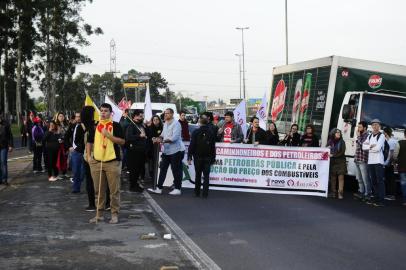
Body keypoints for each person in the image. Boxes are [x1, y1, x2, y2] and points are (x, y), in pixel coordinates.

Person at [87, 103, 125, 224]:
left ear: (110, 113)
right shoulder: (95, 126)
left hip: (112, 162)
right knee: (98, 191)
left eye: (106, 111)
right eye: (101, 111)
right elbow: (89, 141)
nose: (103, 113)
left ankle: (114, 214)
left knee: (114, 191)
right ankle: (99, 214)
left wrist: (108, 135)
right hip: (97, 162)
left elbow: (122, 141)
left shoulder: (116, 126)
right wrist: (88, 156)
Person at [148, 108, 185, 195]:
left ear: (172, 114)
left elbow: (175, 138)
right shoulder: (165, 124)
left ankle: (177, 188)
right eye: (165, 114)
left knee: (176, 170)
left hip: (176, 150)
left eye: (167, 113)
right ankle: (159, 188)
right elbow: (162, 135)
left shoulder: (177, 124)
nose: (165, 115)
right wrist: (156, 138)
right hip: (167, 151)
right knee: (163, 169)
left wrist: (162, 141)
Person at [187, 113, 216, 198]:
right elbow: (213, 147)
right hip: (208, 157)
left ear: (199, 122)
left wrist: (189, 156)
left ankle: (197, 192)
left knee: (198, 174)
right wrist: (213, 158)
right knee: (206, 176)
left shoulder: (196, 132)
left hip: (198, 157)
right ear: (207, 122)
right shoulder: (211, 132)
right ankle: (205, 193)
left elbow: (192, 145)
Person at [362, 119, 386, 207]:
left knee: (380, 181)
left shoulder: (382, 135)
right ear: (371, 126)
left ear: (379, 126)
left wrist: (369, 147)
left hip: (378, 161)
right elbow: (363, 147)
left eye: (377, 125)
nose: (375, 126)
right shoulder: (369, 136)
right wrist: (371, 146)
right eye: (373, 125)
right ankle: (375, 198)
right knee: (374, 181)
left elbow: (378, 148)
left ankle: (381, 200)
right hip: (371, 161)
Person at [125, 109, 147, 192]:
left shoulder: (141, 125)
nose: (142, 118)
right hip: (134, 151)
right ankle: (132, 186)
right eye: (140, 116)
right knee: (134, 169)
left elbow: (144, 134)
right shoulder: (131, 125)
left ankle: (135, 183)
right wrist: (139, 136)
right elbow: (129, 137)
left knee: (139, 169)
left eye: (142, 116)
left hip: (141, 151)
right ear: (135, 116)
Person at [67, 112, 85, 193]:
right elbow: (66, 137)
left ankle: (79, 181)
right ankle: (76, 188)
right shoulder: (72, 126)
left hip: (84, 151)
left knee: (83, 171)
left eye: (79, 116)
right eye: (76, 117)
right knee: (75, 170)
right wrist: (69, 146)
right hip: (75, 152)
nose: (78, 118)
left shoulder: (84, 126)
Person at [327, 128, 347, 199]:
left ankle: (340, 193)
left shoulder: (342, 142)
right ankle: (333, 193)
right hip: (333, 162)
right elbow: (326, 150)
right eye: (337, 132)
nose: (339, 133)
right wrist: (328, 149)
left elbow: (342, 152)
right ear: (333, 134)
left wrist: (333, 155)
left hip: (341, 161)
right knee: (333, 178)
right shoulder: (330, 141)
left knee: (341, 177)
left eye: (339, 132)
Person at [353, 121, 370, 200]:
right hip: (357, 159)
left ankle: (367, 194)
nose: (358, 129)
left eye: (360, 127)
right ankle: (361, 192)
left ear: (365, 128)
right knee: (359, 178)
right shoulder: (360, 135)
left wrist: (358, 137)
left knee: (365, 178)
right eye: (358, 127)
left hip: (363, 160)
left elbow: (363, 146)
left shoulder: (368, 136)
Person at [146, 115, 163, 180]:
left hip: (161, 148)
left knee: (160, 162)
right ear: (152, 121)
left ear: (159, 120)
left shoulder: (162, 127)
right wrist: (152, 138)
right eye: (154, 120)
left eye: (157, 119)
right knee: (152, 162)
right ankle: (152, 175)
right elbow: (148, 137)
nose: (155, 121)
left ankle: (159, 175)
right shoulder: (150, 128)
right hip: (152, 148)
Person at [383, 127, 397, 201]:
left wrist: (388, 163)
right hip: (389, 163)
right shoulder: (393, 140)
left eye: (383, 132)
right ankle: (389, 194)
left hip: (388, 163)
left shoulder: (391, 141)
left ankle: (391, 195)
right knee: (389, 179)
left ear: (385, 133)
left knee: (389, 179)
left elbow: (391, 153)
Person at [393, 130, 406, 206]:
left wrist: (396, 161)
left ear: (404, 134)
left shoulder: (399, 143)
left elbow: (395, 155)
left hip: (402, 167)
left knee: (404, 183)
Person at [0, 114, 13, 185]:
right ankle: (0, 179)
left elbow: (10, 135)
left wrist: (10, 145)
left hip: (4, 146)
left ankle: (5, 179)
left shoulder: (5, 124)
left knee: (3, 162)